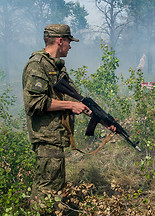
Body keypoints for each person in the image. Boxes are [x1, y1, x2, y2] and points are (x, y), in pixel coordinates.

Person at [22, 24, 115, 204]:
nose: (70, 46)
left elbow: (78, 102)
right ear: (60, 40)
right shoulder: (37, 65)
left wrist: (103, 121)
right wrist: (70, 105)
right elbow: (34, 103)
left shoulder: (58, 68)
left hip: (56, 137)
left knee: (52, 187)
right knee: (48, 191)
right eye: (69, 41)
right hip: (46, 137)